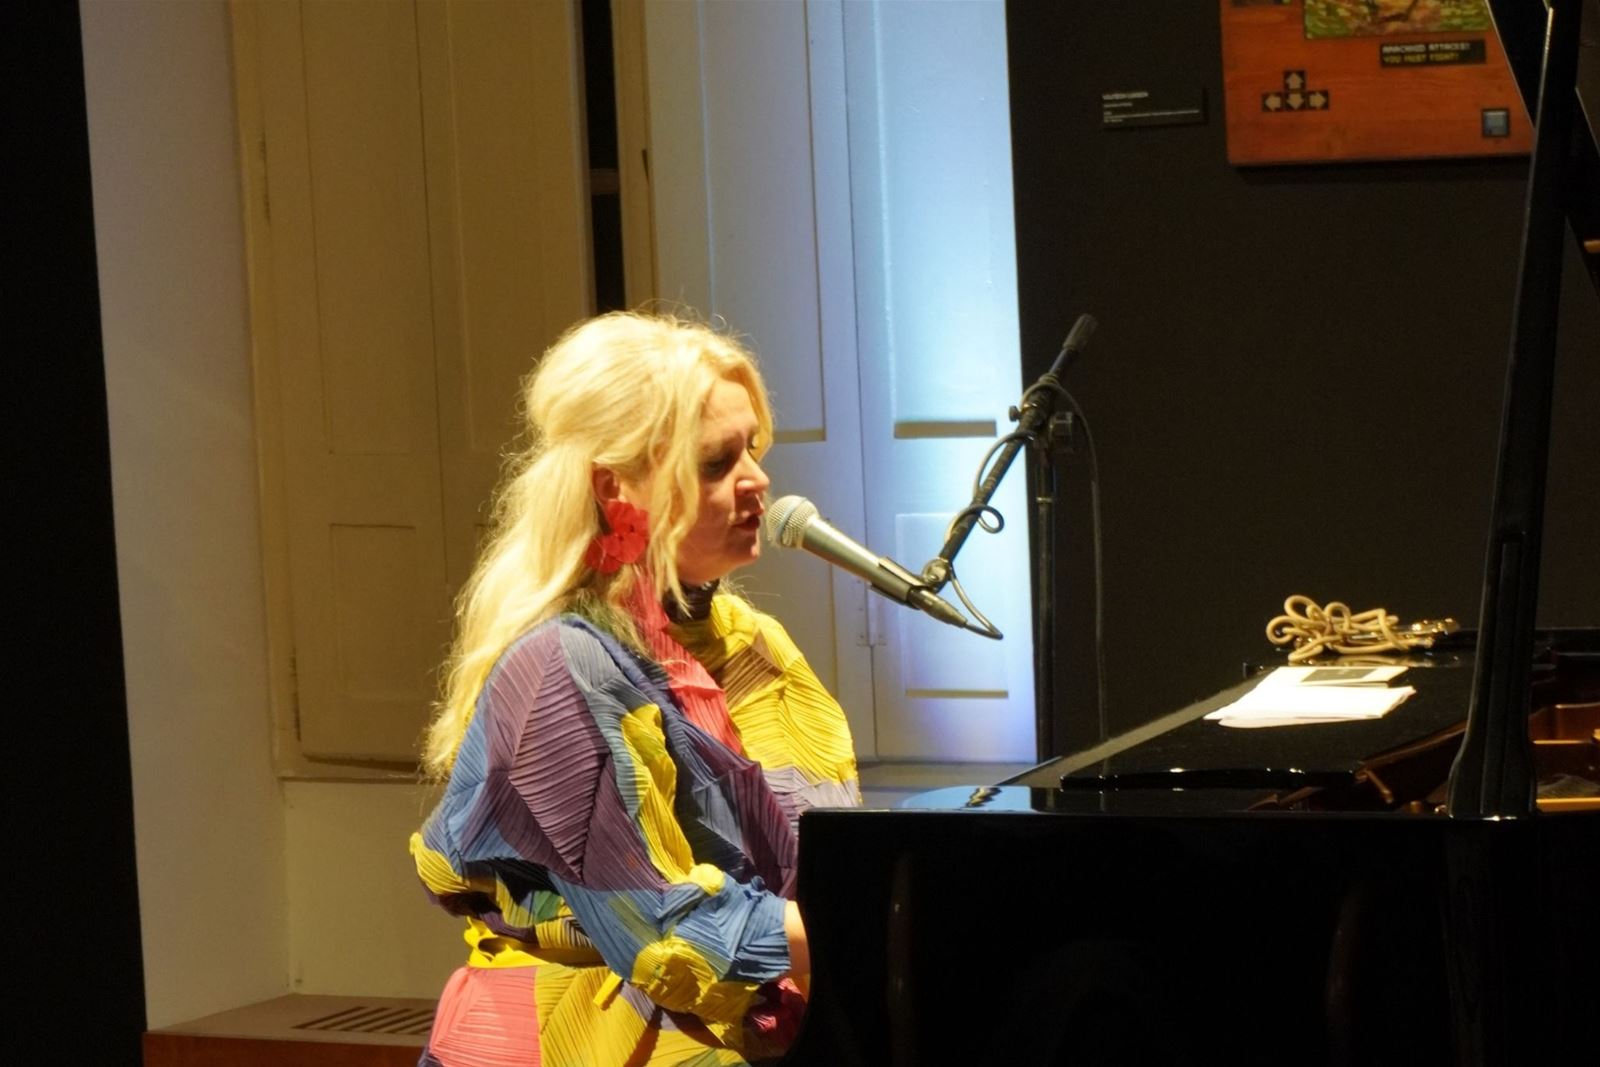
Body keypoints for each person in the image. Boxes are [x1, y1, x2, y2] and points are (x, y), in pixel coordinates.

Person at [409, 310, 862, 1066]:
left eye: (752, 449)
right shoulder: (557, 668)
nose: (757, 479)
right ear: (614, 486)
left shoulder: (756, 643)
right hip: (576, 1043)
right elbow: (661, 927)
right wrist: (888, 922)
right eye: (715, 462)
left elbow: (818, 862)